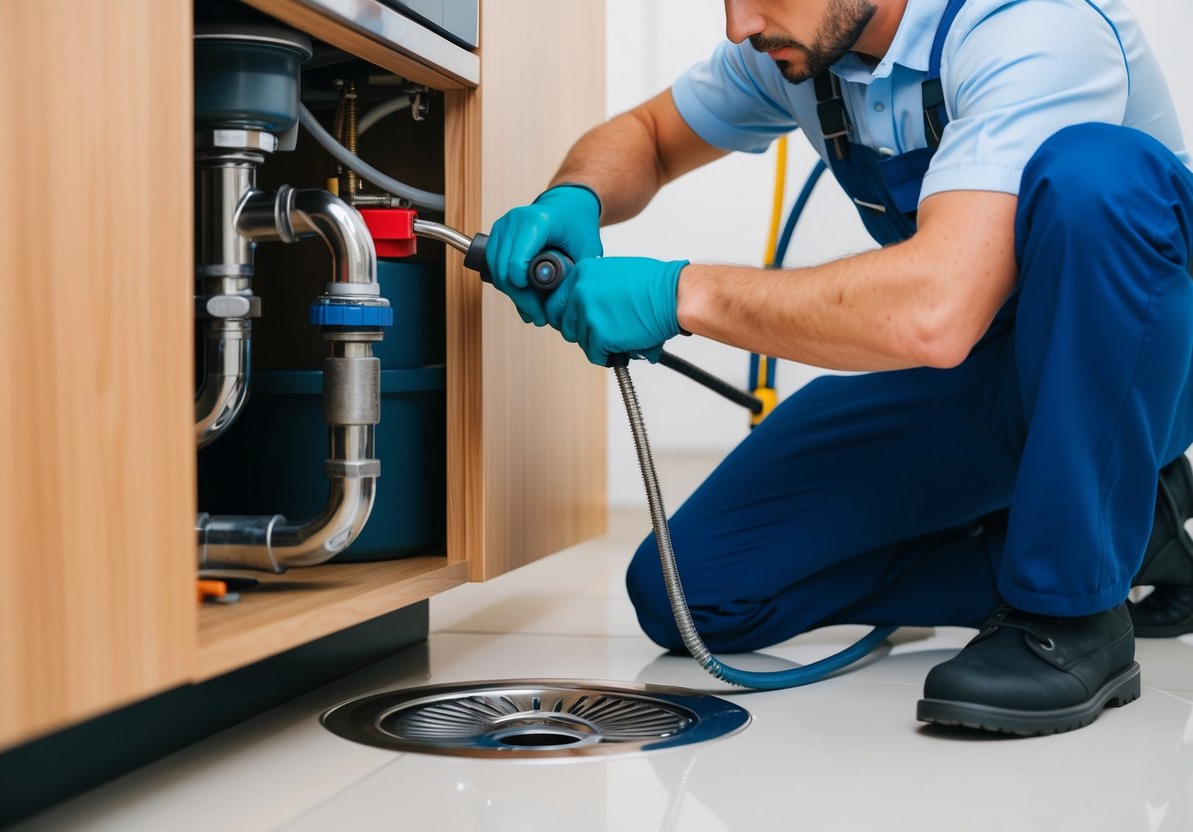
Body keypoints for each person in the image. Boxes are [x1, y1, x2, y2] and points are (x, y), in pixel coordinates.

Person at [484, 0, 1193, 735]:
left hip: (1129, 369)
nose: (738, 24)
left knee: (1096, 175)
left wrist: (678, 292)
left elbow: (934, 312)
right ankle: (1138, 532)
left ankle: (1070, 611)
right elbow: (650, 134)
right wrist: (576, 193)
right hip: (978, 373)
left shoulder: (1032, 27)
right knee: (691, 594)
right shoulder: (795, 48)